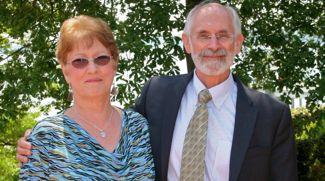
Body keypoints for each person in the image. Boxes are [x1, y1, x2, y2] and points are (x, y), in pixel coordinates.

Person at [17, 1, 298, 180]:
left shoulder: (271, 114)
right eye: (203, 35)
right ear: (187, 42)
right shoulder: (158, 95)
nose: (213, 45)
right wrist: (37, 139)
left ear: (238, 43)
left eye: (223, 35)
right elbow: (99, 127)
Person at [18, 15, 155, 180]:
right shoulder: (47, 137)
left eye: (101, 58)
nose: (92, 69)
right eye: (79, 61)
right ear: (66, 71)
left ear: (114, 63)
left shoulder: (139, 128)